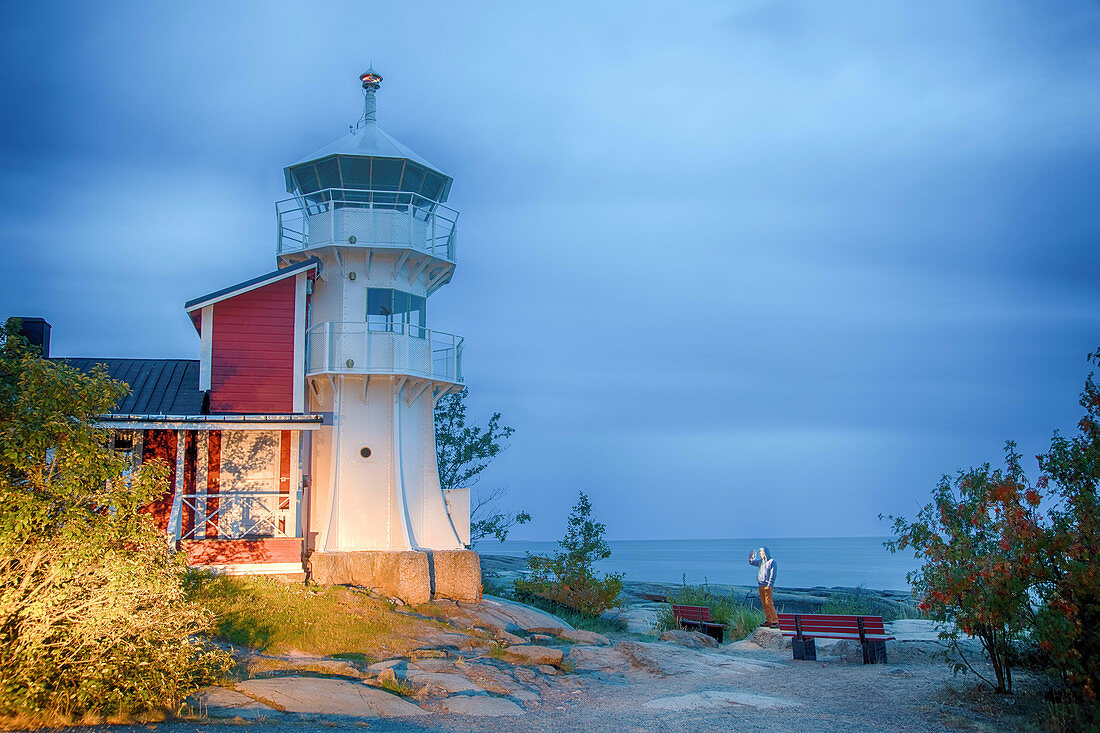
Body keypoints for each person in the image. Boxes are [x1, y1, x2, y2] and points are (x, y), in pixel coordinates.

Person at [749, 546, 779, 628]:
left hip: (767, 586)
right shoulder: (760, 562)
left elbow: (773, 574)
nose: (760, 553)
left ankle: (775, 621)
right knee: (764, 604)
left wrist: (770, 585)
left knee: (769, 603)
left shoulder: (771, 562)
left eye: (761, 552)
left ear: (765, 552)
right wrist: (751, 556)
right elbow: (751, 562)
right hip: (761, 585)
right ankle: (769, 620)